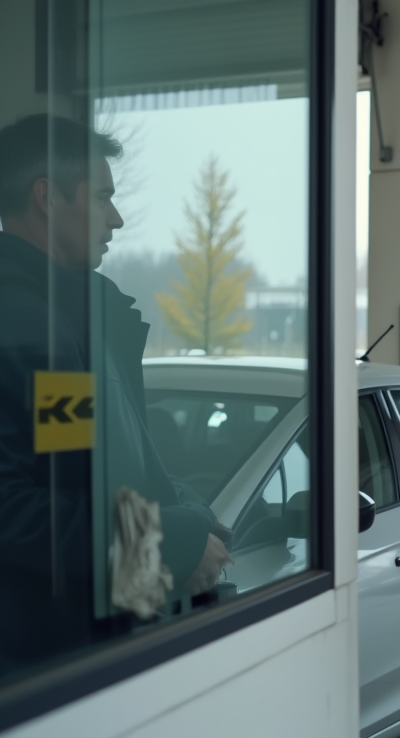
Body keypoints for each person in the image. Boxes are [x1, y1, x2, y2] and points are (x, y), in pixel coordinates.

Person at [0, 114, 231, 674]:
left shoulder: (72, 320)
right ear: (48, 198)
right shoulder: (25, 326)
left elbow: (91, 472)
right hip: (46, 665)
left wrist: (191, 516)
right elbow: (16, 512)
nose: (117, 218)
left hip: (94, 639)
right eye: (103, 196)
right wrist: (172, 543)